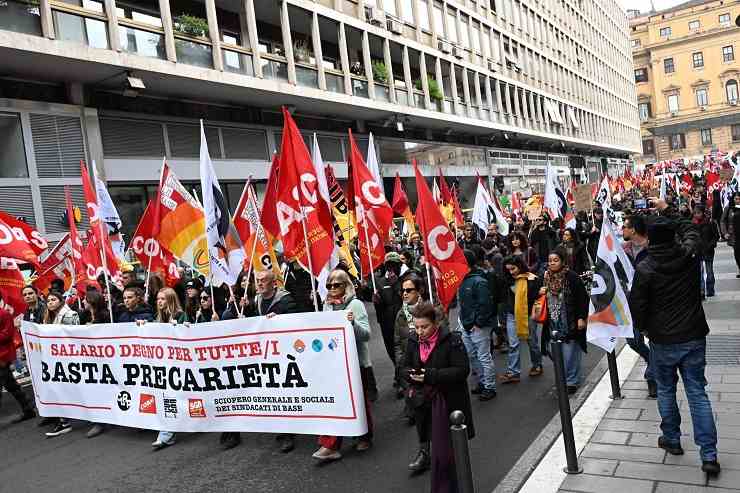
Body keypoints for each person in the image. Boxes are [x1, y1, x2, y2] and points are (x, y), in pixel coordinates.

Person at [629, 207, 720, 477]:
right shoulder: (688, 255)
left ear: (650, 239)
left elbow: (637, 307)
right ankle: (709, 454)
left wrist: (645, 328)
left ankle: (671, 438)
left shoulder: (645, 268)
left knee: (666, 390)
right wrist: (669, 210)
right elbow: (691, 230)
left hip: (663, 340)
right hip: (693, 335)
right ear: (674, 236)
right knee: (697, 393)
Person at [220, 269, 298, 452]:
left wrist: (279, 319)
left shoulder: (286, 300)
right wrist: (244, 316)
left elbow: (296, 321)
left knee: (282, 393)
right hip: (264, 354)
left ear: (274, 283)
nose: (260, 283)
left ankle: (287, 434)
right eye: (258, 280)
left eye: (264, 280)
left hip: (284, 354)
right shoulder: (257, 301)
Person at [403, 302, 474, 486]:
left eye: (424, 327)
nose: (420, 332)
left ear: (435, 323)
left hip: (448, 402)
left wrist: (430, 375)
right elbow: (402, 368)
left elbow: (461, 370)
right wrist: (411, 375)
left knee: (448, 453)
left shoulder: (452, 340)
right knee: (432, 443)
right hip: (424, 402)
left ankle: (456, 484)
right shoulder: (412, 341)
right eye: (417, 327)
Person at [313, 269, 373, 462]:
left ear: (346, 285)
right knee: (333, 403)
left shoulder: (355, 305)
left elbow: (366, 334)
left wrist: (352, 323)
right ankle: (330, 444)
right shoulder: (326, 306)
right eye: (329, 285)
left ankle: (364, 435)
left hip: (356, 362)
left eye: (336, 285)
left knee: (359, 401)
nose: (332, 289)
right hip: (333, 363)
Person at [540, 247, 589, 394]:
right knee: (555, 353)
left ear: (562, 261)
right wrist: (539, 292)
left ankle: (571, 381)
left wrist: (581, 318)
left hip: (570, 322)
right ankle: (563, 378)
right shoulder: (546, 277)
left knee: (570, 354)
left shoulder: (571, 277)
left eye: (556, 260)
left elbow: (582, 299)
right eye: (550, 261)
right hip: (552, 323)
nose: (552, 263)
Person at [621, 214, 656, 398]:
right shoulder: (623, 249)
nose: (622, 230)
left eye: (625, 227)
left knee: (654, 340)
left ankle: (652, 379)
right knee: (632, 340)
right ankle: (652, 362)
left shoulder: (653, 248)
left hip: (651, 302)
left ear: (633, 229)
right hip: (630, 302)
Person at [458, 250, 496, 400]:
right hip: (466, 324)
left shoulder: (479, 281)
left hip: (478, 326)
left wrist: (478, 323)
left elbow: (486, 305)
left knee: (483, 356)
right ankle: (481, 381)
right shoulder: (463, 279)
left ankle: (489, 387)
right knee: (472, 356)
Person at [40, 289, 80, 435]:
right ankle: (64, 421)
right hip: (55, 360)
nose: (50, 303)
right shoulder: (49, 317)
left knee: (76, 389)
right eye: (48, 301)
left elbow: (73, 336)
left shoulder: (70, 315)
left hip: (69, 359)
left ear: (61, 301)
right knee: (58, 389)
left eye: (53, 300)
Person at [151, 287, 187, 449]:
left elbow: (187, 334)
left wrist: (178, 328)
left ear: (170, 300)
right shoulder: (157, 319)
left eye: (163, 299)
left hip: (180, 364)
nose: (159, 301)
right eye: (158, 298)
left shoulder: (180, 315)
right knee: (168, 398)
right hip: (164, 365)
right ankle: (166, 433)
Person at [501, 255, 543, 382]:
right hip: (511, 314)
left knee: (532, 342)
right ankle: (514, 372)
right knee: (513, 344)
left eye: (513, 269)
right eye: (508, 269)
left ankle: (537, 364)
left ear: (520, 266)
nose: (511, 272)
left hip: (528, 314)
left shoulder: (532, 279)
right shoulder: (507, 280)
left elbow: (537, 298)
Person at [0, 299, 35, 424]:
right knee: (10, 385)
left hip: (3, 356)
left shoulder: (4, 314)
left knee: (10, 384)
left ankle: (28, 408)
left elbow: (7, 334)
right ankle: (28, 408)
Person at [394, 273, 424, 410]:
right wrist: (401, 363)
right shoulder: (400, 314)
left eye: (409, 290)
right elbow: (397, 342)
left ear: (419, 291)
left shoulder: (430, 309)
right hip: (409, 361)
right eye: (403, 291)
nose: (404, 294)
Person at [371, 252, 404, 369]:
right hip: (387, 324)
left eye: (394, 265)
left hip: (403, 322)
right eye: (388, 265)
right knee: (390, 348)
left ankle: (403, 374)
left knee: (404, 349)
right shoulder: (380, 282)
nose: (391, 268)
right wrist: (377, 303)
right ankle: (398, 370)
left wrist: (395, 284)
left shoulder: (405, 279)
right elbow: (380, 308)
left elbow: (406, 299)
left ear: (400, 266)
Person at [694, 205, 719, 299]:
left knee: (709, 271)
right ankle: (701, 291)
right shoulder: (693, 223)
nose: (696, 215)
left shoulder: (710, 222)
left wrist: (711, 245)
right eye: (695, 213)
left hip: (708, 250)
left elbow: (716, 236)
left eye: (698, 213)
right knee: (700, 272)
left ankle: (710, 290)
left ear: (703, 213)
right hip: (698, 251)